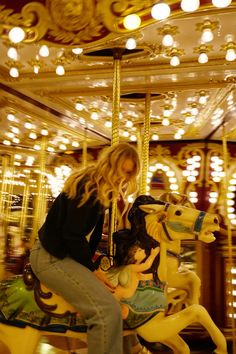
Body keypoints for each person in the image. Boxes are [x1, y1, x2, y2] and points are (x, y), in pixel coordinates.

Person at [29, 142, 140, 354]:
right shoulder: (89, 185)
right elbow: (72, 234)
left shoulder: (101, 190)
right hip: (51, 256)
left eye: (129, 174)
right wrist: (93, 270)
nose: (124, 177)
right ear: (111, 163)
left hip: (64, 255)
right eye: (122, 170)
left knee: (114, 302)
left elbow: (88, 237)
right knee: (106, 311)